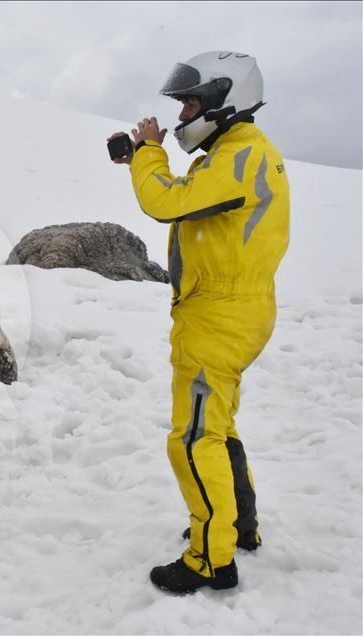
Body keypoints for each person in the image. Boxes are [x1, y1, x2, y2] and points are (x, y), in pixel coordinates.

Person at [108, 51, 290, 593]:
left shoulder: (240, 155)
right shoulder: (238, 153)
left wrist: (148, 154)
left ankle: (210, 559)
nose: (183, 114)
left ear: (221, 101)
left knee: (192, 439)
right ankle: (240, 528)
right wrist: (144, 159)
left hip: (220, 315)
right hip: (231, 310)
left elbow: (166, 202)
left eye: (190, 102)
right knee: (217, 427)